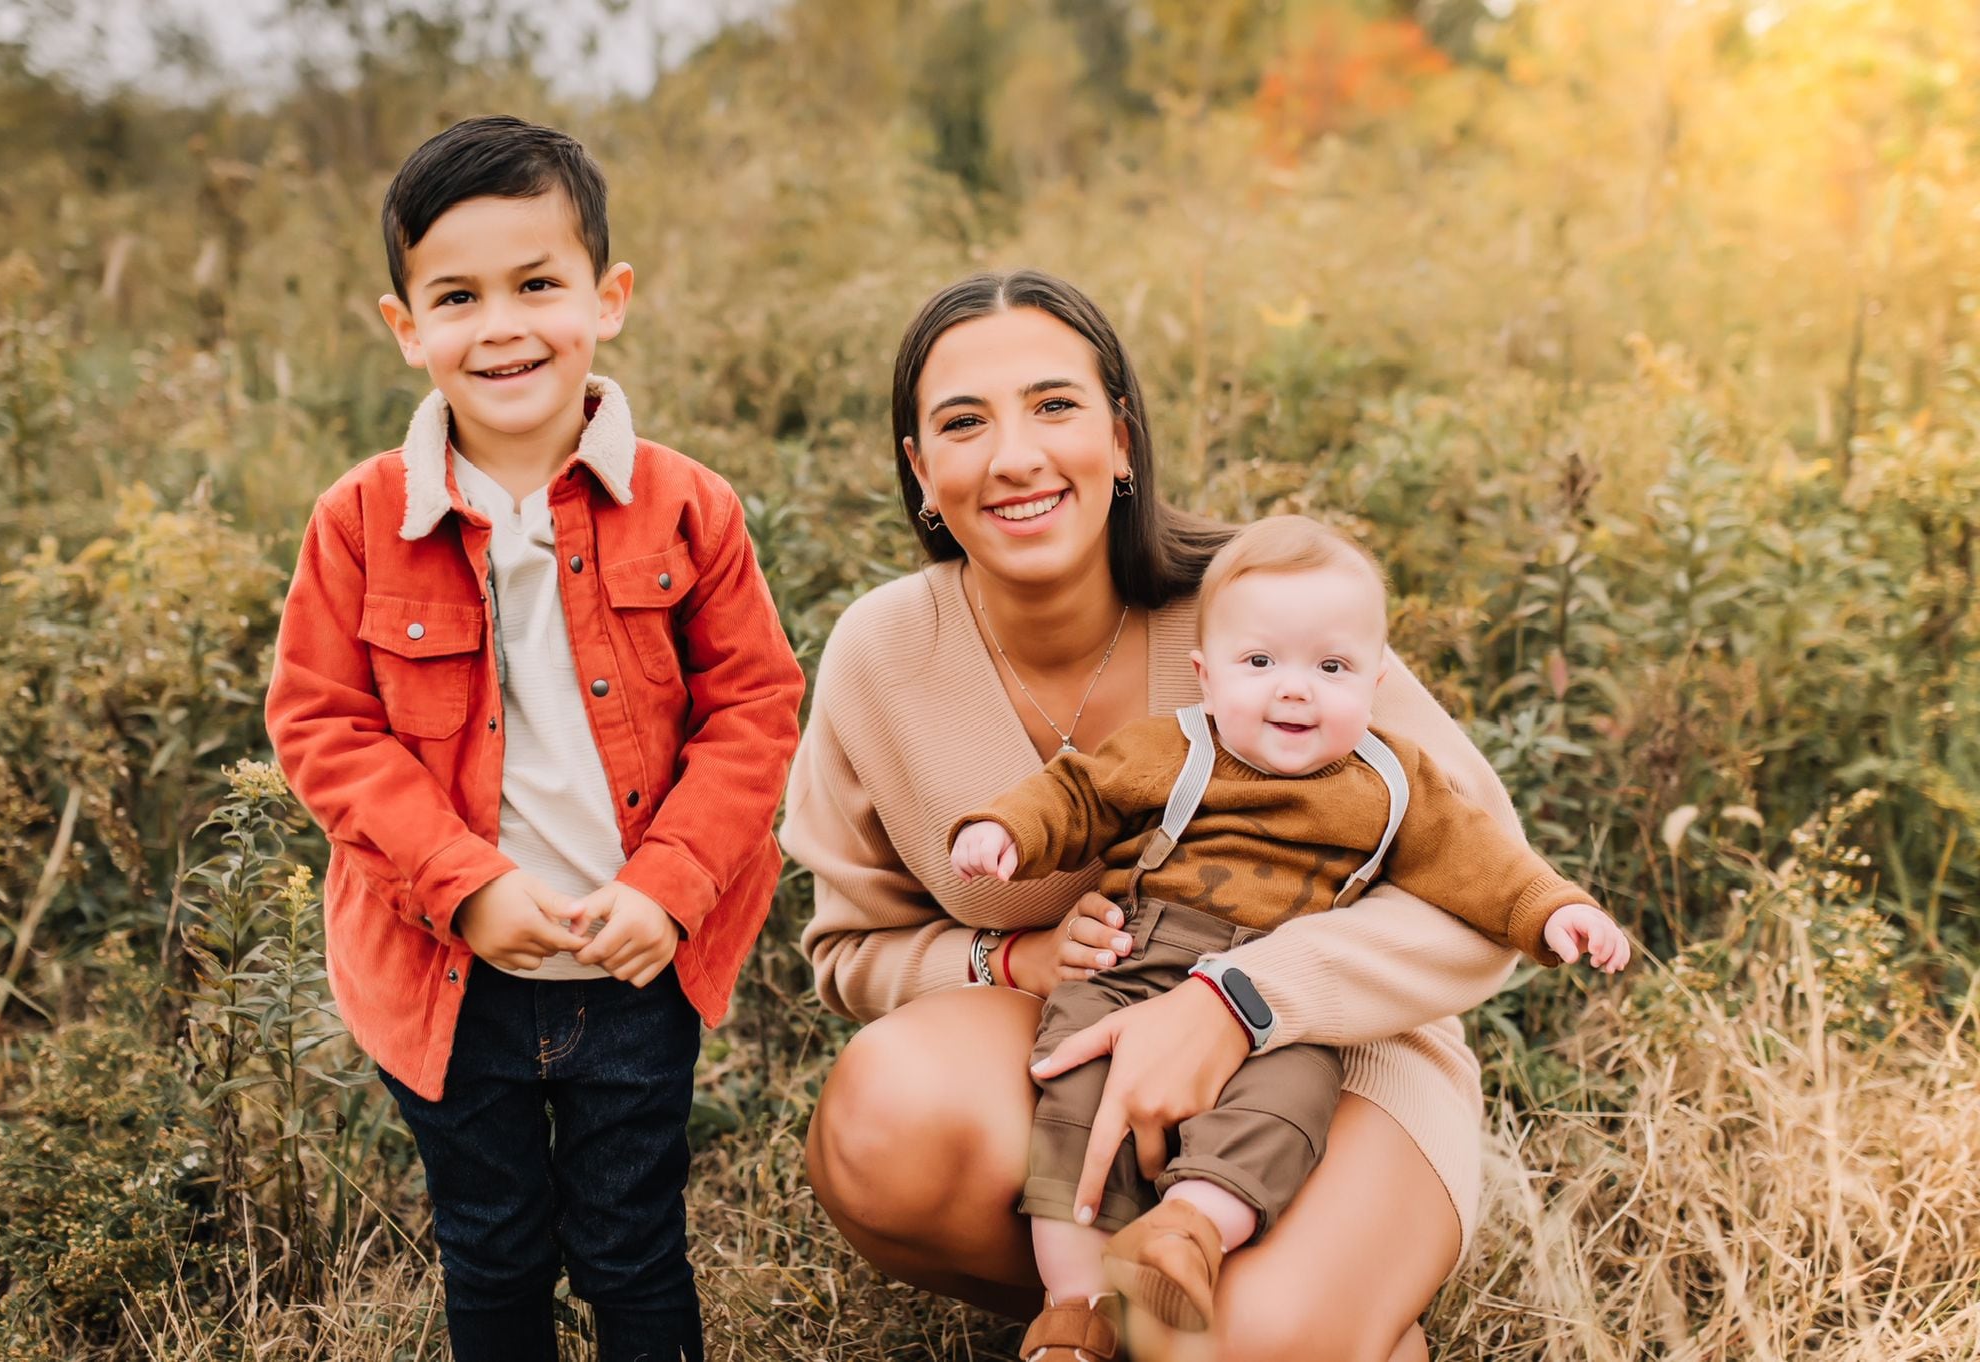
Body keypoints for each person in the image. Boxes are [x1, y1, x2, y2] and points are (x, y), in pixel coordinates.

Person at [779, 269, 1572, 1362]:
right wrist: (1010, 964)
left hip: (1332, 1056)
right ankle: (1109, 1305)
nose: (1013, 455)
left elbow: (1488, 894)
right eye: (962, 423)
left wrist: (1236, 1001)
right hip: (1073, 1039)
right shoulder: (881, 655)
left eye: (1054, 406)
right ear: (920, 471)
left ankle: (1287, 1299)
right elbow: (851, 948)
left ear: (1120, 438)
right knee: (885, 1122)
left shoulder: (1265, 614)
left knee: (1246, 1345)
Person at [264, 115, 803, 1362]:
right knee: (492, 1245)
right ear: (406, 327)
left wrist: (668, 890)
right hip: (449, 978)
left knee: (632, 1244)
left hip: (636, 969)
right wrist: (466, 887)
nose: (500, 326)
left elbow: (754, 710)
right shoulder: (358, 522)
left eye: (537, 285)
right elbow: (323, 725)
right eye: (456, 295)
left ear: (606, 300)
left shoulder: (689, 505)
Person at [947, 514, 1630, 1351]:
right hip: (1138, 956)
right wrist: (1008, 832)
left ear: (1377, 681)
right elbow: (1076, 795)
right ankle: (1075, 1304)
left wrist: (1557, 909)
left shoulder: (1390, 782)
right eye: (1260, 663)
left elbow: (1480, 860)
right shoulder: (1173, 749)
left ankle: (1190, 1229)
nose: (1295, 689)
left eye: (1331, 666)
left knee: (1287, 1106)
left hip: (1277, 999)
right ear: (1205, 676)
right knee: (1075, 1099)